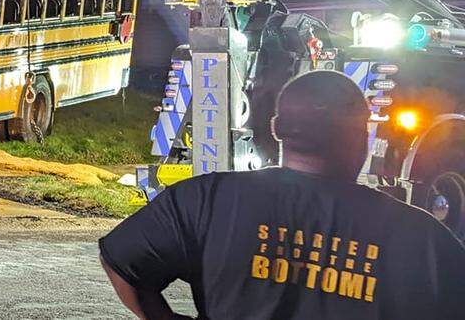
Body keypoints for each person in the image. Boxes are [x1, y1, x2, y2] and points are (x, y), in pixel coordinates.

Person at [100, 69, 465, 319]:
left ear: (277, 129)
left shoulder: (207, 199)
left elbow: (121, 261)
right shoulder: (424, 239)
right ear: (362, 137)